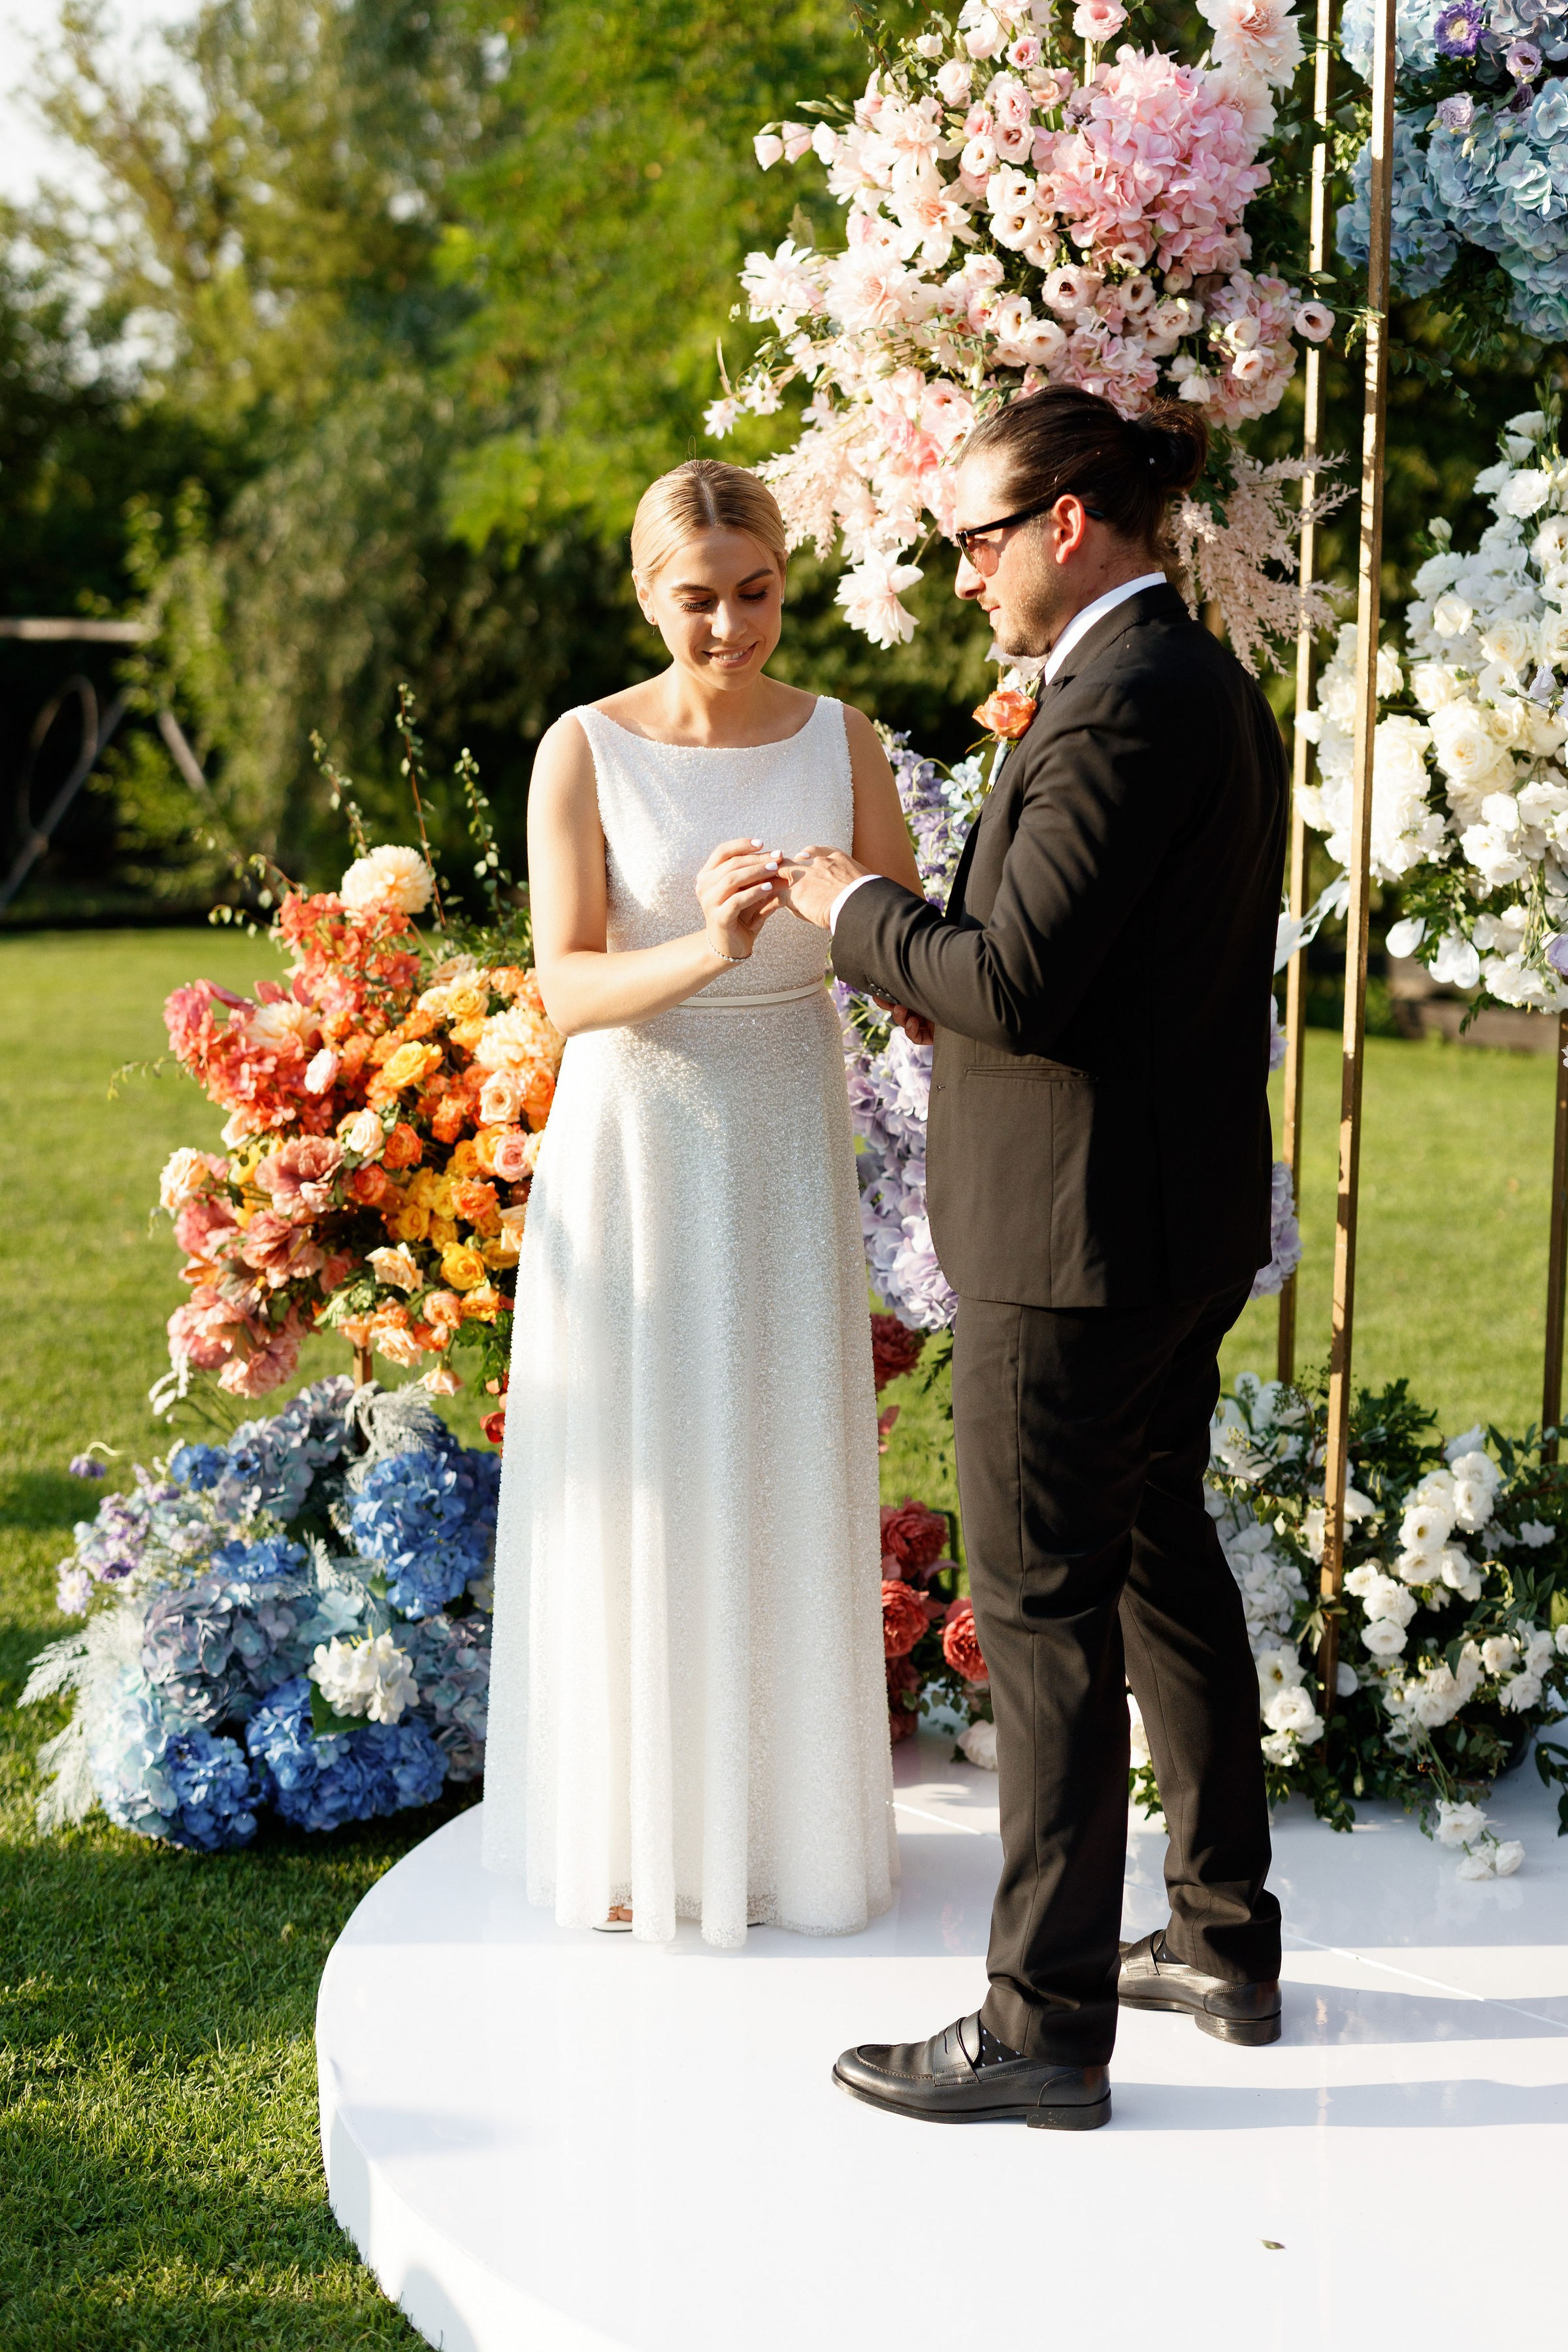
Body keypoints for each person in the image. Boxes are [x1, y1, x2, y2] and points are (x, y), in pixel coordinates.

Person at [780, 387, 1288, 2128]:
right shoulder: (1194, 679)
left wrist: (848, 908)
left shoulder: (1124, 703)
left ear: (1069, 523)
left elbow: (1009, 983)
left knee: (1048, 1619)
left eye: (982, 539)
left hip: (1077, 1250)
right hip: (1163, 1220)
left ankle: (1041, 2027)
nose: (970, 572)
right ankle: (1222, 1938)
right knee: (1160, 1568)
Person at [482, 458, 919, 1947]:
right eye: (698, 601)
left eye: (757, 595)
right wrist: (714, 945)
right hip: (641, 1150)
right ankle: (633, 1833)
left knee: (781, 1461)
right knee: (650, 1467)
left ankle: (784, 1836)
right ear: (644, 592)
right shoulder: (585, 749)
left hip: (787, 1143)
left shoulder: (843, 738)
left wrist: (842, 921)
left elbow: (906, 945)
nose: (732, 628)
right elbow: (566, 984)